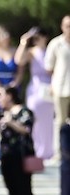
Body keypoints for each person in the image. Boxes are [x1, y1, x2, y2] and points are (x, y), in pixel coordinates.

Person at [0, 86, 43, 195]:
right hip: (7, 157)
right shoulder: (2, 113)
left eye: (2, 95)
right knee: (12, 191)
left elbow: (26, 130)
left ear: (10, 96)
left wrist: (10, 122)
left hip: (21, 157)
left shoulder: (24, 111)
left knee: (25, 190)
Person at [18, 27, 55, 161]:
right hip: (35, 89)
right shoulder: (32, 52)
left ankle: (48, 151)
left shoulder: (51, 50)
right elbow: (19, 60)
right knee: (34, 119)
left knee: (48, 121)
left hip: (50, 88)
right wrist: (24, 42)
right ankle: (35, 149)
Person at [46, 16, 70, 145]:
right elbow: (49, 67)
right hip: (61, 88)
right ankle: (60, 152)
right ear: (62, 27)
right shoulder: (55, 43)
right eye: (67, 26)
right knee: (60, 121)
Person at [0, 25, 19, 91]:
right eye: (2, 35)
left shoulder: (15, 51)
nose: (6, 37)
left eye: (7, 34)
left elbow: (20, 71)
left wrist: (13, 85)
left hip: (13, 87)